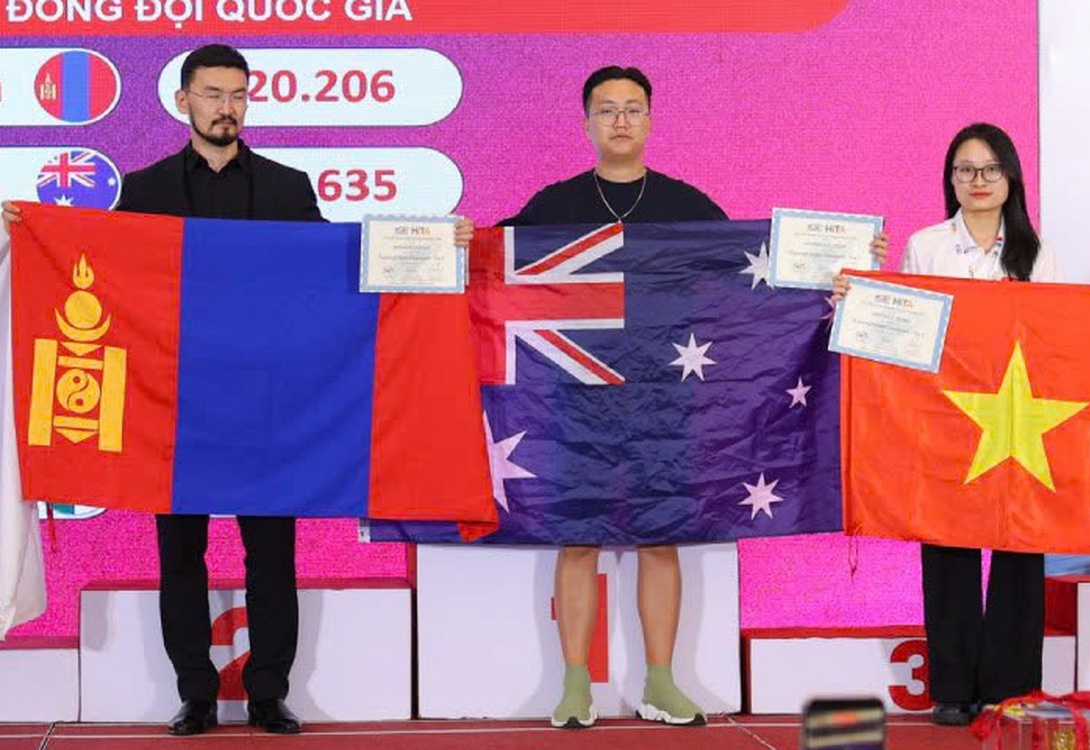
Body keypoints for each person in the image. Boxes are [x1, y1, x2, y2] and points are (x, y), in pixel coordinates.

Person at [2, 43, 472, 736]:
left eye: (238, 95)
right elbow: (94, 266)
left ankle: (268, 694)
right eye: (213, 94)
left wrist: (436, 247)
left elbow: (339, 270)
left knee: (272, 555)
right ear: (183, 101)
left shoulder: (287, 188)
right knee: (179, 556)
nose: (227, 107)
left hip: (269, 406)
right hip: (172, 409)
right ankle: (194, 693)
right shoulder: (145, 190)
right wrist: (31, 230)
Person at [499, 65, 724, 729]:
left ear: (650, 120)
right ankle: (574, 685)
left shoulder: (688, 206)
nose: (620, 120)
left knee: (661, 539)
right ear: (587, 123)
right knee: (577, 540)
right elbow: (495, 257)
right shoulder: (555, 204)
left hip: (663, 401)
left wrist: (833, 262)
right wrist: (454, 242)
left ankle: (661, 681)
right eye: (607, 109)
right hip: (579, 400)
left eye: (632, 108)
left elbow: (752, 267)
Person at [899, 122, 1059, 726]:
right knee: (948, 545)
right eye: (965, 170)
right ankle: (953, 687)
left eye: (991, 169)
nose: (978, 180)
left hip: (1019, 416)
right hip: (944, 413)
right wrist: (853, 298)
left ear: (1011, 176)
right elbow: (904, 327)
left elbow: (1062, 336)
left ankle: (1010, 686)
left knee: (1020, 543)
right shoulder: (926, 246)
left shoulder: (1038, 253)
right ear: (951, 179)